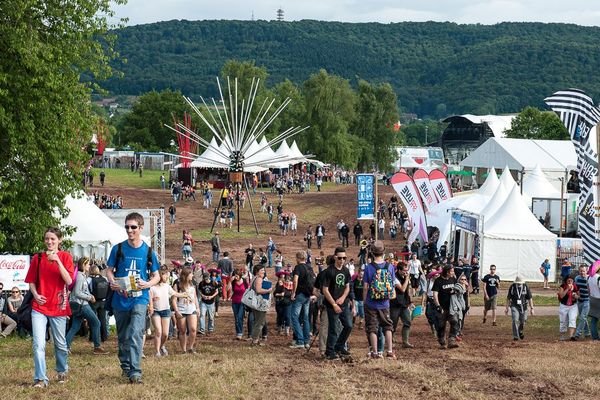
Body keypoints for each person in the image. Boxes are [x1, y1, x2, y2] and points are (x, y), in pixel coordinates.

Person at [106, 213, 160, 384]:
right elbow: (109, 269)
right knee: (123, 336)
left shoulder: (149, 251)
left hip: (140, 298)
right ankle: (126, 366)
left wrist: (147, 284)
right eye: (127, 227)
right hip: (120, 299)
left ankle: (135, 372)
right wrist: (112, 281)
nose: (130, 230)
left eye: (133, 227)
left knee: (136, 333)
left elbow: (157, 276)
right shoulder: (118, 248)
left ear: (141, 228)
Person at [25, 227, 75, 388]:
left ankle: (62, 370)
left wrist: (58, 260)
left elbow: (69, 281)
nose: (49, 242)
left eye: (53, 239)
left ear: (59, 240)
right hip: (39, 306)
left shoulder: (66, 257)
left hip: (59, 306)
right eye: (47, 238)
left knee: (60, 344)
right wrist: (35, 294)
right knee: (38, 344)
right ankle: (40, 378)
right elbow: (31, 281)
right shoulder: (37, 258)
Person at [362, 241, 396, 359]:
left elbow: (365, 287)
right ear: (383, 252)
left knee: (372, 327)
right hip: (385, 302)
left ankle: (375, 352)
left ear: (372, 252)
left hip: (371, 302)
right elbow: (392, 284)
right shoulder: (390, 266)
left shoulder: (368, 268)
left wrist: (364, 301)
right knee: (387, 326)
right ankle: (390, 351)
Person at [66, 257, 106, 354]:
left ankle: (65, 347)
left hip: (77, 304)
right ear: (83, 265)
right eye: (88, 264)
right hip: (82, 304)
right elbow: (77, 292)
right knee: (96, 322)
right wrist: (89, 298)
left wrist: (89, 295)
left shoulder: (81, 276)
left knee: (75, 326)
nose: (89, 266)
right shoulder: (80, 277)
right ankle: (97, 347)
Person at [149, 266, 188, 357]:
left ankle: (161, 346)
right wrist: (152, 302)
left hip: (166, 311)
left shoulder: (167, 286)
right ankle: (157, 352)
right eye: (166, 275)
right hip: (156, 311)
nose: (167, 277)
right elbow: (150, 299)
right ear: (160, 276)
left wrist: (184, 295)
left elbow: (175, 294)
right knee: (158, 331)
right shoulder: (152, 288)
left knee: (165, 334)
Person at [322, 247, 353, 360]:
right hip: (332, 305)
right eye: (340, 258)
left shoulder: (345, 270)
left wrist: (343, 297)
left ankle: (339, 346)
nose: (342, 260)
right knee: (333, 329)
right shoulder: (329, 271)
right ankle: (329, 352)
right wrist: (334, 304)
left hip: (343, 304)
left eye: (344, 258)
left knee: (349, 325)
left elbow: (347, 287)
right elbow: (325, 290)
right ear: (335, 257)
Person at [171, 267, 199, 352]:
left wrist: (197, 308)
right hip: (181, 309)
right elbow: (174, 299)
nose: (192, 275)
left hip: (192, 308)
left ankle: (190, 347)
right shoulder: (177, 284)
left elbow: (195, 297)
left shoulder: (193, 283)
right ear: (186, 275)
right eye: (191, 274)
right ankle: (184, 350)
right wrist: (176, 310)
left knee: (193, 329)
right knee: (182, 331)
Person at [290, 251, 314, 349]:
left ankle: (300, 340)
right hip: (308, 295)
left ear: (298, 258)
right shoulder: (310, 267)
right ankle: (306, 341)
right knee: (305, 318)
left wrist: (293, 292)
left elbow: (295, 280)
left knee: (294, 317)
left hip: (299, 294)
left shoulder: (298, 267)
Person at [432, 264, 459, 349]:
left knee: (454, 321)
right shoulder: (438, 281)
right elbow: (435, 294)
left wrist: (454, 292)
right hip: (442, 307)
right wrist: (438, 305)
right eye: (451, 271)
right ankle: (442, 341)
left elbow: (457, 289)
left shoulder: (453, 279)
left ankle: (451, 340)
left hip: (451, 307)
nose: (453, 272)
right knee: (441, 325)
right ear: (447, 272)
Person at [391, 262, 414, 349]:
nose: (406, 272)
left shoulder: (406, 278)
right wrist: (407, 279)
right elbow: (402, 289)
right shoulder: (394, 278)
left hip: (404, 304)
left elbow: (408, 290)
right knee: (393, 323)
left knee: (408, 321)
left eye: (407, 270)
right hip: (395, 304)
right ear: (399, 270)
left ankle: (405, 341)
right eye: (404, 270)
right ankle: (391, 340)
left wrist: (410, 301)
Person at [250, 265, 274, 346]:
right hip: (260, 303)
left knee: (258, 321)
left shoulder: (254, 278)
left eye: (263, 270)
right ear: (257, 271)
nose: (263, 272)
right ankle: (255, 340)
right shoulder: (259, 279)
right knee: (259, 322)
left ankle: (256, 338)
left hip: (255, 303)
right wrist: (268, 290)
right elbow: (258, 290)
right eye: (262, 270)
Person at [558, 276, 579, 341]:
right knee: (563, 321)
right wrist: (567, 289)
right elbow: (561, 296)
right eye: (568, 281)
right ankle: (562, 336)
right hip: (564, 306)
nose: (570, 282)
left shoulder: (575, 286)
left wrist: (575, 296)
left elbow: (578, 296)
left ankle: (571, 336)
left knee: (572, 319)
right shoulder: (563, 286)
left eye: (571, 281)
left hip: (573, 306)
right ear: (566, 281)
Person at [229, 270, 249, 340]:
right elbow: (227, 289)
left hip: (242, 302)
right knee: (236, 318)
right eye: (234, 276)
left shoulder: (244, 281)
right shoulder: (233, 282)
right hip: (235, 302)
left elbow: (248, 290)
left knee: (240, 317)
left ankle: (240, 333)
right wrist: (230, 281)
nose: (235, 277)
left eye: (236, 276)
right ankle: (238, 332)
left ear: (240, 275)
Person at [573, 265, 590, 340]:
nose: (582, 272)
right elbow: (575, 288)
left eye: (583, 271)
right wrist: (575, 294)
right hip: (579, 301)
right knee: (583, 318)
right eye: (580, 271)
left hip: (587, 300)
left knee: (582, 317)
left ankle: (577, 334)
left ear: (586, 271)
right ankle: (587, 333)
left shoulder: (589, 278)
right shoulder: (577, 278)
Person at [274, 271, 293, 335]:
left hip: (288, 303)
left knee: (287, 316)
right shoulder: (278, 286)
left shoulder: (290, 285)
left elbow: (291, 294)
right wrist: (280, 294)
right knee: (280, 316)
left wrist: (284, 294)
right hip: (279, 303)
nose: (280, 282)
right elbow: (275, 293)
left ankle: (287, 330)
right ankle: (279, 329)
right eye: (279, 281)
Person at [587, 263, 600, 341]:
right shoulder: (598, 278)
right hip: (599, 299)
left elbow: (588, 289)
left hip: (592, 299)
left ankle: (594, 337)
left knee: (594, 319)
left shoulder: (589, 277)